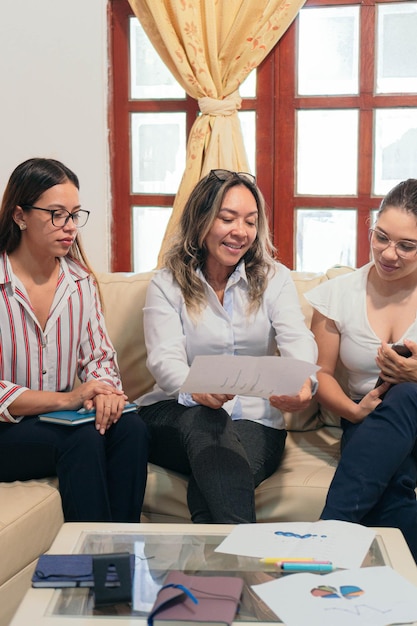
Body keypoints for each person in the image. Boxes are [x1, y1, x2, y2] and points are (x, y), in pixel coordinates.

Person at [136, 169, 318, 523]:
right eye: (227, 218)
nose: (241, 232)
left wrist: (303, 384)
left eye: (250, 222)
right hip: (174, 414)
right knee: (205, 419)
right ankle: (246, 566)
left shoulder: (273, 278)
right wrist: (197, 390)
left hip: (255, 420)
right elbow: (164, 359)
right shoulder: (167, 283)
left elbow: (297, 338)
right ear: (202, 220)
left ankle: (209, 574)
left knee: (215, 478)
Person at [0, 158, 149, 522]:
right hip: (9, 429)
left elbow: (99, 359)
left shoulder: (79, 282)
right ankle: (93, 564)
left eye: (74, 215)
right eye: (56, 215)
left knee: (131, 428)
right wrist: (66, 399)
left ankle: (122, 555)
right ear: (20, 216)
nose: (69, 227)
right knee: (79, 439)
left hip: (58, 420)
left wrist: (107, 394)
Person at [305, 178, 417, 561]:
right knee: (393, 487)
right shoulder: (340, 294)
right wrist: (353, 411)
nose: (389, 253)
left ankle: (327, 536)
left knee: (406, 391)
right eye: (381, 237)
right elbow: (319, 372)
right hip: (369, 421)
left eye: (406, 246)